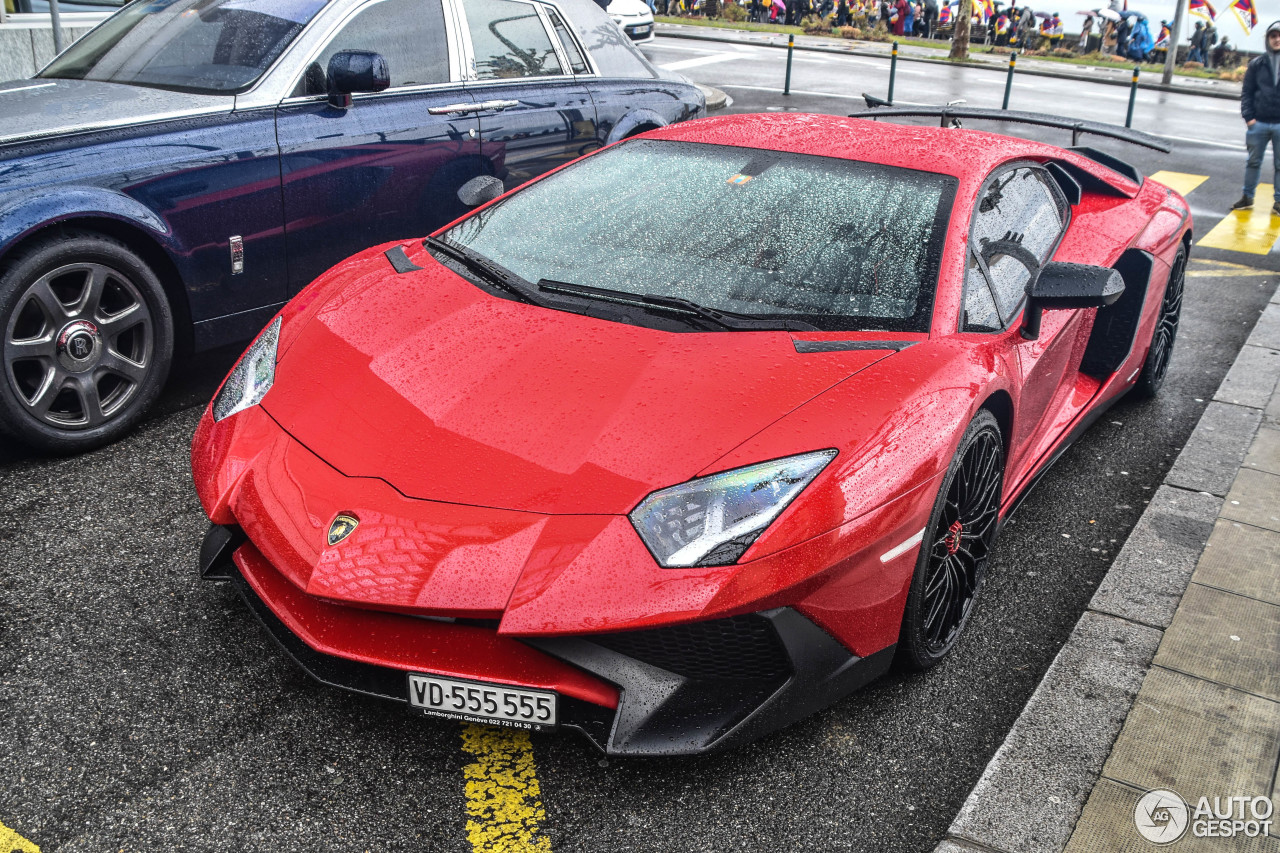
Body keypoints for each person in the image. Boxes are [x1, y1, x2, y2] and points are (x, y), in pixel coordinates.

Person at [1234, 22, 1280, 215]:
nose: (1277, 39)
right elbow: (1247, 93)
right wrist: (1249, 118)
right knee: (1253, 162)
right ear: (1268, 39)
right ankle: (1247, 197)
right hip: (1258, 123)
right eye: (1273, 36)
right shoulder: (1257, 64)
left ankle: (1278, 202)